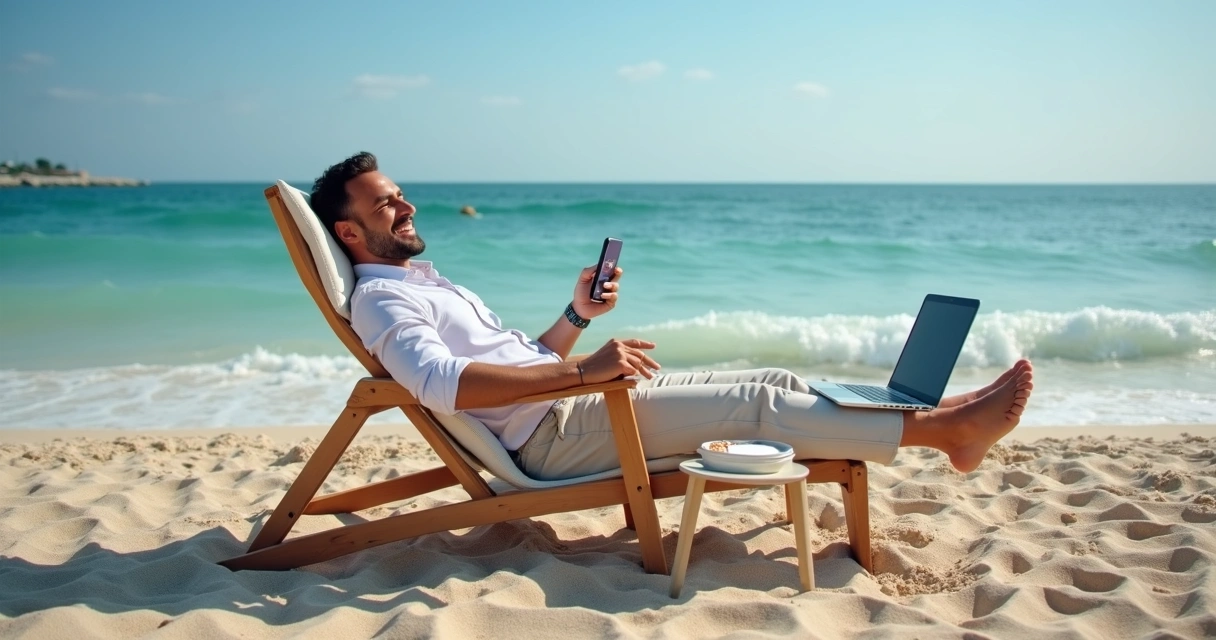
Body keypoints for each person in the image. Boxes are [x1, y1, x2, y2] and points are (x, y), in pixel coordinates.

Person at [310, 152, 1034, 481]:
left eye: (401, 195)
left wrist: (574, 317)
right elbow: (444, 384)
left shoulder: (422, 282)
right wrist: (579, 372)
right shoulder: (382, 300)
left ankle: (941, 410)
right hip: (555, 436)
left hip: (571, 400)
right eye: (385, 204)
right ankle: (947, 434)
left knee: (772, 376)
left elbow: (518, 359)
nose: (406, 207)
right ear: (348, 234)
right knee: (757, 405)